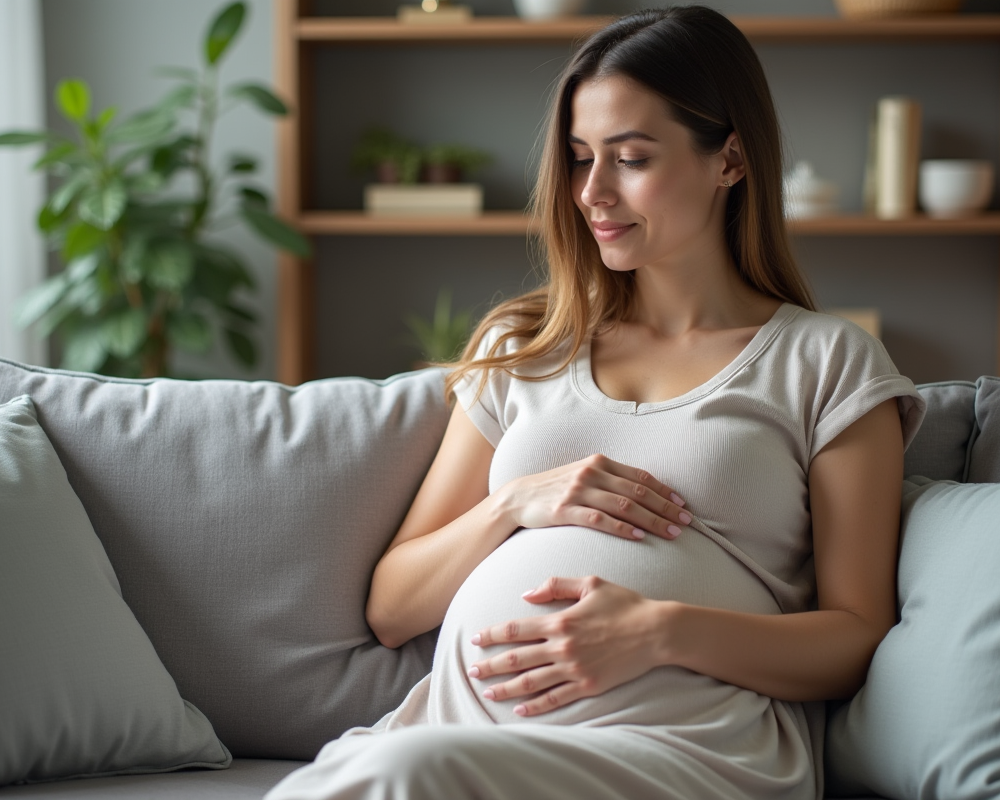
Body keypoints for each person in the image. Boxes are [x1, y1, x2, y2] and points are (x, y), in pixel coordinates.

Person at [267, 6, 924, 800]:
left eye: (632, 158)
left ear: (731, 159)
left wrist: (657, 633)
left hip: (690, 752)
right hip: (476, 734)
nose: (592, 193)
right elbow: (393, 607)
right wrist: (514, 503)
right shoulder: (526, 347)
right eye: (580, 159)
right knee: (384, 773)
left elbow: (857, 639)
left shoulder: (825, 361)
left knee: (401, 778)